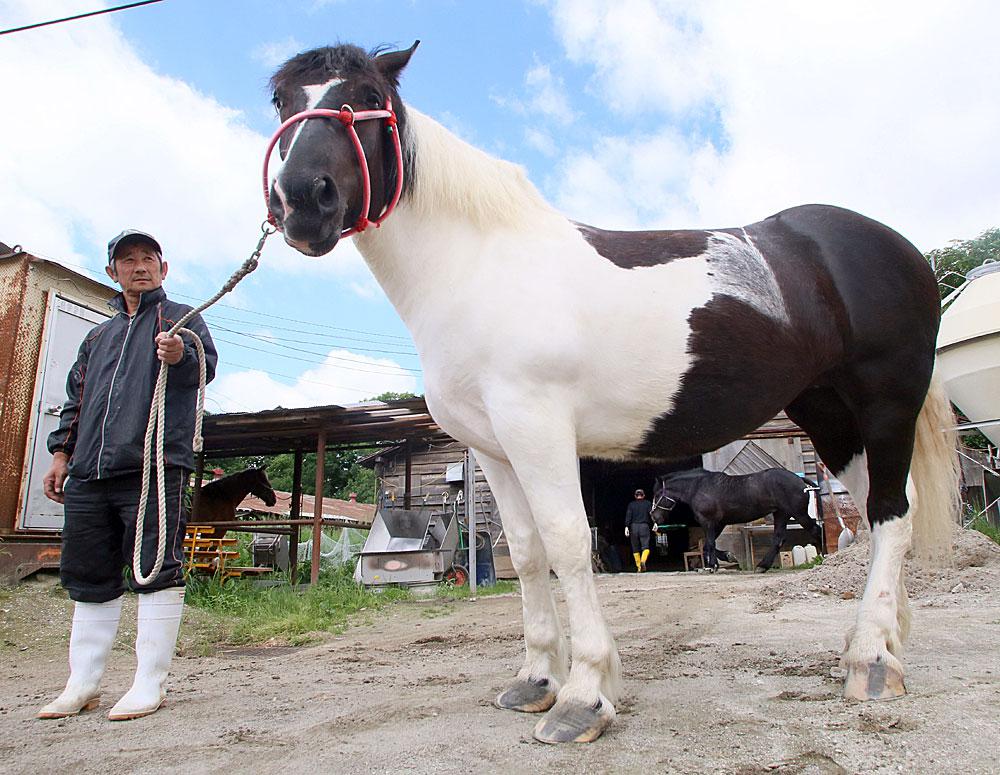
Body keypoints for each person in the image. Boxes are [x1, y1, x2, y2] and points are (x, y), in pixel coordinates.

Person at [37, 230, 217, 721]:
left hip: (154, 466)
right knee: (89, 577)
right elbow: (76, 402)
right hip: (89, 473)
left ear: (164, 267)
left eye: (149, 258)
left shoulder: (181, 320)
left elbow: (205, 367)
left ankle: (148, 684)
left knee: (156, 570)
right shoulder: (98, 336)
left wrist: (181, 355)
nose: (140, 266)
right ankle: (83, 684)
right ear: (112, 272)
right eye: (128, 260)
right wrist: (60, 456)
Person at [624, 488, 658, 572]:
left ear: (635, 496)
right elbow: (652, 515)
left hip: (633, 527)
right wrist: (655, 523)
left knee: (635, 548)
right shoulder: (648, 504)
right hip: (644, 527)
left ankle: (639, 567)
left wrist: (626, 527)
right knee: (645, 546)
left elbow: (628, 516)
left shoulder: (631, 505)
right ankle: (643, 561)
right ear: (644, 495)